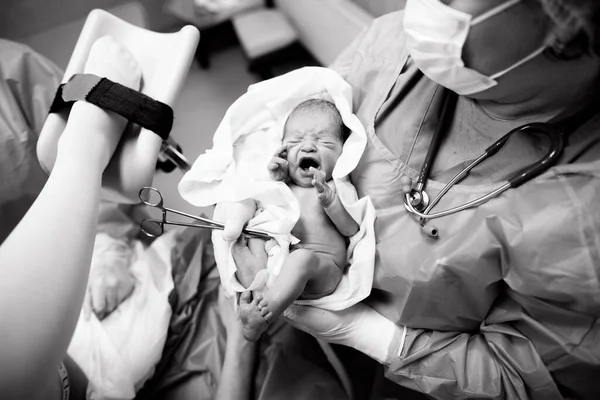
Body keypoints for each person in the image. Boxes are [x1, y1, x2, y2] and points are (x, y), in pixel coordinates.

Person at [217, 0, 600, 398]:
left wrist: (378, 339)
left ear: (569, 33)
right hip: (293, 319)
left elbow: (531, 382)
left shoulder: (584, 222)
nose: (427, 6)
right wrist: (244, 183)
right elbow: (300, 119)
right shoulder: (393, 45)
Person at [0, 36, 261, 400]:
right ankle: (84, 149)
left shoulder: (8, 74)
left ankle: (85, 150)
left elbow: (109, 203)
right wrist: (241, 338)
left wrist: (109, 252)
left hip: (85, 276)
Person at [237, 99, 359, 342]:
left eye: (323, 141)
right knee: (250, 232)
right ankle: (255, 290)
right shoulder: (285, 186)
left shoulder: (335, 187)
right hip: (281, 264)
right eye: (294, 142)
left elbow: (351, 228)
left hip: (322, 269)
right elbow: (269, 209)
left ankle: (263, 316)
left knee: (301, 258)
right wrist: (276, 180)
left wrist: (331, 202)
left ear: (343, 153)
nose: (307, 147)